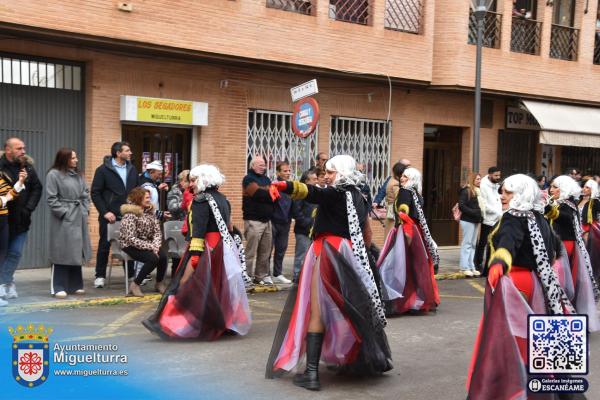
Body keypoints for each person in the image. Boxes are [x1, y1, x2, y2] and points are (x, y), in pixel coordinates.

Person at [266, 155, 392, 391]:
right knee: (348, 308)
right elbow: (366, 233)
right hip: (350, 254)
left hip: (327, 252)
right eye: (326, 173)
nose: (326, 176)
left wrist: (283, 185)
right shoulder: (359, 196)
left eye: (331, 172)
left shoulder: (337, 193)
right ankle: (357, 360)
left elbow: (311, 193)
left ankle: (311, 373)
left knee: (317, 310)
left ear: (342, 173)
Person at [467, 174, 576, 399]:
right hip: (539, 284)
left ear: (520, 195)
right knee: (540, 340)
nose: (502, 195)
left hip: (517, 284)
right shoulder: (539, 217)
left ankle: (511, 389)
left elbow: (509, 241)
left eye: (508, 192)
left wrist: (499, 262)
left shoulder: (514, 217)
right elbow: (555, 249)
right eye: (502, 191)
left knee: (511, 342)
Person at [143, 164, 251, 340]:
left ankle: (178, 323)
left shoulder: (201, 200)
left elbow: (198, 231)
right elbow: (230, 227)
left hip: (204, 247)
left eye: (193, 180)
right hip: (221, 248)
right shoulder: (223, 199)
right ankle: (221, 322)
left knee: (187, 284)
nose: (190, 184)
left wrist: (194, 257)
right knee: (217, 287)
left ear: (203, 180)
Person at [376, 166, 440, 315]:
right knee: (413, 268)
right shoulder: (417, 193)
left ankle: (404, 301)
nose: (402, 179)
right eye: (402, 176)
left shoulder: (405, 191)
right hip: (414, 231)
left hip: (407, 232)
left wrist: (406, 238)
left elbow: (405, 212)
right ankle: (415, 300)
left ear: (411, 179)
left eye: (405, 176)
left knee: (398, 267)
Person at [545, 175, 599, 321]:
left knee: (560, 283)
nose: (552, 189)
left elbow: (564, 218)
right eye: (552, 186)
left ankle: (565, 315)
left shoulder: (567, 204)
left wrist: (548, 209)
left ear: (564, 189)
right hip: (557, 245)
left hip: (564, 246)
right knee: (557, 283)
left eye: (556, 187)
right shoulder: (558, 203)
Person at [90, 141, 138, 288]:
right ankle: (100, 276)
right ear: (118, 153)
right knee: (104, 245)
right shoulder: (103, 170)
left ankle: (130, 276)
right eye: (127, 150)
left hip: (128, 215)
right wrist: (105, 212)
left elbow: (137, 191)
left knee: (129, 244)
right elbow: (95, 193)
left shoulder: (132, 169)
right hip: (109, 215)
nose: (130, 153)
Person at [0, 137, 43, 300]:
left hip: (22, 219)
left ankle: (5, 282)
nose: (23, 151)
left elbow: (37, 188)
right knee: (3, 253)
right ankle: (5, 283)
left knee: (15, 253)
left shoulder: (27, 167)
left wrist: (28, 209)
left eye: (23, 148)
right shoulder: (1, 167)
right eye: (19, 148)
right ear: (8, 150)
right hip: (3, 219)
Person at [46, 148, 92, 299]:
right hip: (64, 218)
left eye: (76, 157)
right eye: (73, 158)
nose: (76, 160)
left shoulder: (78, 175)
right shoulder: (53, 175)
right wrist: (65, 213)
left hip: (79, 216)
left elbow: (85, 194)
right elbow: (51, 199)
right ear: (64, 159)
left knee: (76, 250)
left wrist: (84, 211)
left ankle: (75, 284)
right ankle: (58, 285)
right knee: (62, 250)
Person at [119, 187, 167, 297]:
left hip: (148, 244)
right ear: (138, 198)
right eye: (146, 198)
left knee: (163, 256)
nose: (149, 200)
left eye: (149, 197)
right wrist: (151, 247)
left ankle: (159, 283)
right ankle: (135, 284)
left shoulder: (150, 213)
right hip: (129, 245)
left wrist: (155, 245)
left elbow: (157, 232)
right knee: (153, 258)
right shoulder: (130, 215)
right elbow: (131, 239)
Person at [242, 155, 275, 285]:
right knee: (250, 252)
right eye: (260, 165)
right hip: (253, 220)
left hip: (267, 221)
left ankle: (260, 277)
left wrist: (270, 193)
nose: (263, 167)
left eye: (264, 165)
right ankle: (247, 277)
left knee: (265, 252)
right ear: (253, 165)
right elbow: (257, 194)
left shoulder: (267, 179)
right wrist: (270, 192)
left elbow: (275, 196)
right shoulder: (248, 179)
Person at [0, 168, 26, 306]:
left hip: (3, 219)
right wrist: (4, 199)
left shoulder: (1, 178)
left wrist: (20, 182)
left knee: (2, 255)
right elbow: (6, 198)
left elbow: (10, 194)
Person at [291, 169, 318, 283]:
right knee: (301, 255)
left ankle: (307, 277)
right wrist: (307, 224)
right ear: (307, 180)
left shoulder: (315, 192)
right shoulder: (301, 193)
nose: (316, 181)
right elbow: (296, 211)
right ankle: (297, 277)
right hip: (303, 230)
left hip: (314, 230)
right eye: (314, 179)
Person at [474, 166, 502, 275]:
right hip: (488, 220)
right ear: (489, 174)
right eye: (496, 175)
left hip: (497, 218)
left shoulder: (496, 184)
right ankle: (478, 264)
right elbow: (484, 204)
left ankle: (489, 265)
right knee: (483, 243)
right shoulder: (484, 186)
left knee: (493, 243)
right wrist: (497, 212)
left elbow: (496, 199)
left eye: (499, 175)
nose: (498, 177)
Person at [270, 162, 293, 284]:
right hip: (273, 222)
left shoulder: (290, 187)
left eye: (289, 171)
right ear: (278, 172)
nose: (288, 173)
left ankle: (277, 273)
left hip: (286, 223)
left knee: (281, 249)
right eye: (285, 171)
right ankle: (265, 275)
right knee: (268, 249)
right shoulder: (274, 185)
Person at [458, 172, 483, 277]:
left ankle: (471, 267)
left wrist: (479, 215)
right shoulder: (466, 191)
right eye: (477, 179)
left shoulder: (477, 191)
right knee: (467, 244)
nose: (479, 181)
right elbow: (461, 206)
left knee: (473, 245)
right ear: (472, 179)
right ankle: (464, 267)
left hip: (475, 220)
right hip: (467, 220)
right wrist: (475, 212)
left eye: (480, 179)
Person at [166, 169, 190, 277]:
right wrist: (185, 203)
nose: (190, 183)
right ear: (181, 181)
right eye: (187, 180)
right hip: (177, 226)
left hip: (187, 225)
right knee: (177, 257)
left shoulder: (192, 190)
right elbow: (172, 207)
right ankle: (174, 279)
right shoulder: (174, 191)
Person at [580, 180, 600, 281]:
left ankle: (591, 279)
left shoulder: (595, 201)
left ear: (593, 189)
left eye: (587, 187)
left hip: (588, 232)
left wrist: (587, 231)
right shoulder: (578, 199)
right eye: (584, 186)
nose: (584, 189)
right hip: (577, 231)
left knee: (589, 255)